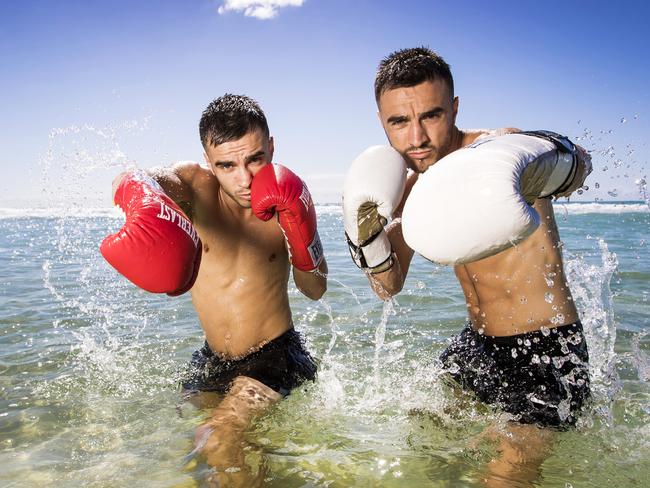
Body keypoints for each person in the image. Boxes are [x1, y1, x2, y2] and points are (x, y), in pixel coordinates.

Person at [343, 47, 592, 486]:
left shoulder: (497, 152)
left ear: (454, 108)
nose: (416, 137)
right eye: (399, 122)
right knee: (422, 439)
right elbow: (389, 286)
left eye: (432, 116)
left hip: (545, 351)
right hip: (477, 347)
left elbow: (579, 163)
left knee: (505, 476)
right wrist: (365, 237)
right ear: (381, 121)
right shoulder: (408, 188)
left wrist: (552, 163)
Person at [101, 94, 327, 486]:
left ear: (272, 146)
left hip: (275, 356)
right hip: (213, 358)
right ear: (209, 161)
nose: (244, 178)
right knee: (192, 448)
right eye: (227, 165)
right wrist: (142, 195)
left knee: (218, 438)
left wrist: (301, 237)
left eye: (255, 159)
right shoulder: (194, 186)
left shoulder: (288, 199)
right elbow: (141, 179)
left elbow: (315, 289)